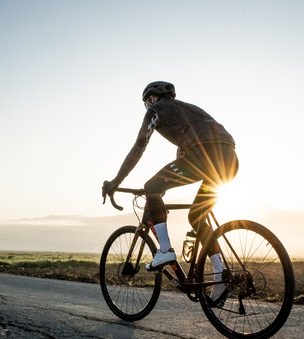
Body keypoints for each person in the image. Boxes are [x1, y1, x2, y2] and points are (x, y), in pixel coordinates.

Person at [102, 81, 239, 301]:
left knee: (151, 187)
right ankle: (219, 274)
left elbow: (140, 144)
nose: (147, 106)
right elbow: (181, 159)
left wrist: (116, 181)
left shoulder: (156, 110)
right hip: (230, 159)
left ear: (152, 98)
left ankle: (164, 250)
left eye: (146, 102)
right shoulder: (188, 112)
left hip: (205, 156)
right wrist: (160, 190)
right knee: (196, 216)